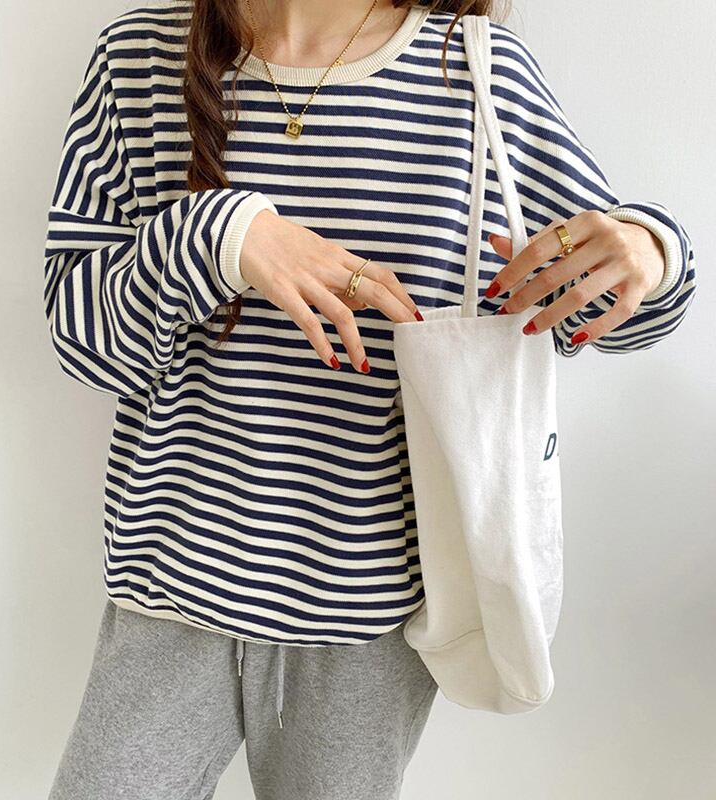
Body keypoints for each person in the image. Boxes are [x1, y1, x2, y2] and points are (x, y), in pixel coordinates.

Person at [42, 1, 697, 798]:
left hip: (368, 620)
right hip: (171, 590)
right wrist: (221, 236)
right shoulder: (139, 58)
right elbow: (80, 342)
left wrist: (651, 248)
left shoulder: (479, 73)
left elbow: (623, 315)